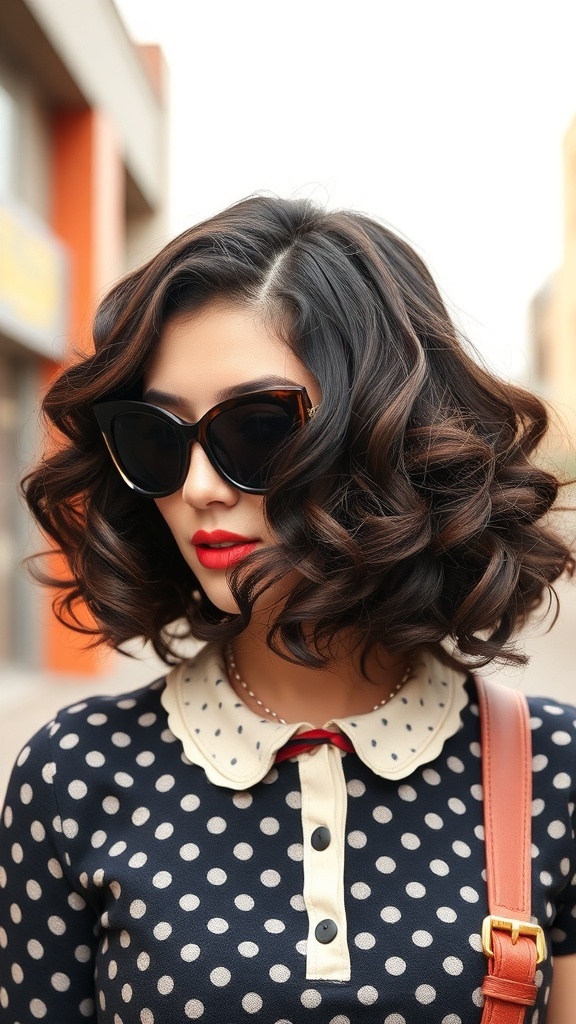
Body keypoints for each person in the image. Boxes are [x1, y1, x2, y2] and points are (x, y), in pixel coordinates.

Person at [0, 196, 575, 1024]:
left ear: (390, 435)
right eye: (158, 438)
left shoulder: (551, 772)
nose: (198, 488)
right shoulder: (76, 776)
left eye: (257, 429)